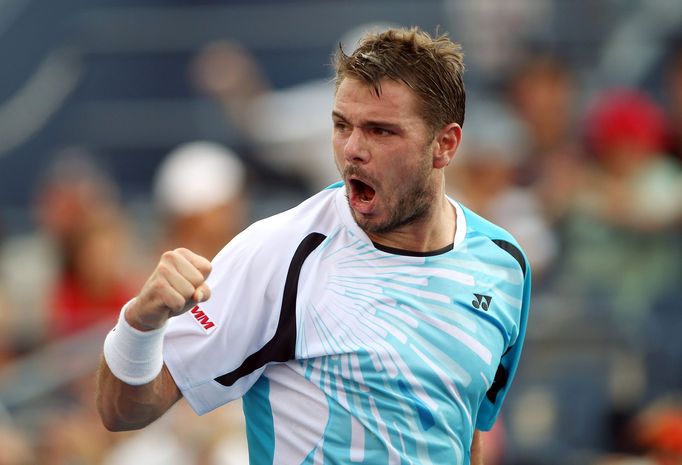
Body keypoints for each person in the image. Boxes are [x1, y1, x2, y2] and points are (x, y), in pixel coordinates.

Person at [96, 27, 531, 465]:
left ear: (445, 145)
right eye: (342, 125)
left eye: (381, 131)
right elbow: (121, 410)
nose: (352, 150)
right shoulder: (280, 253)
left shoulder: (503, 264)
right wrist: (139, 324)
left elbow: (465, 430)